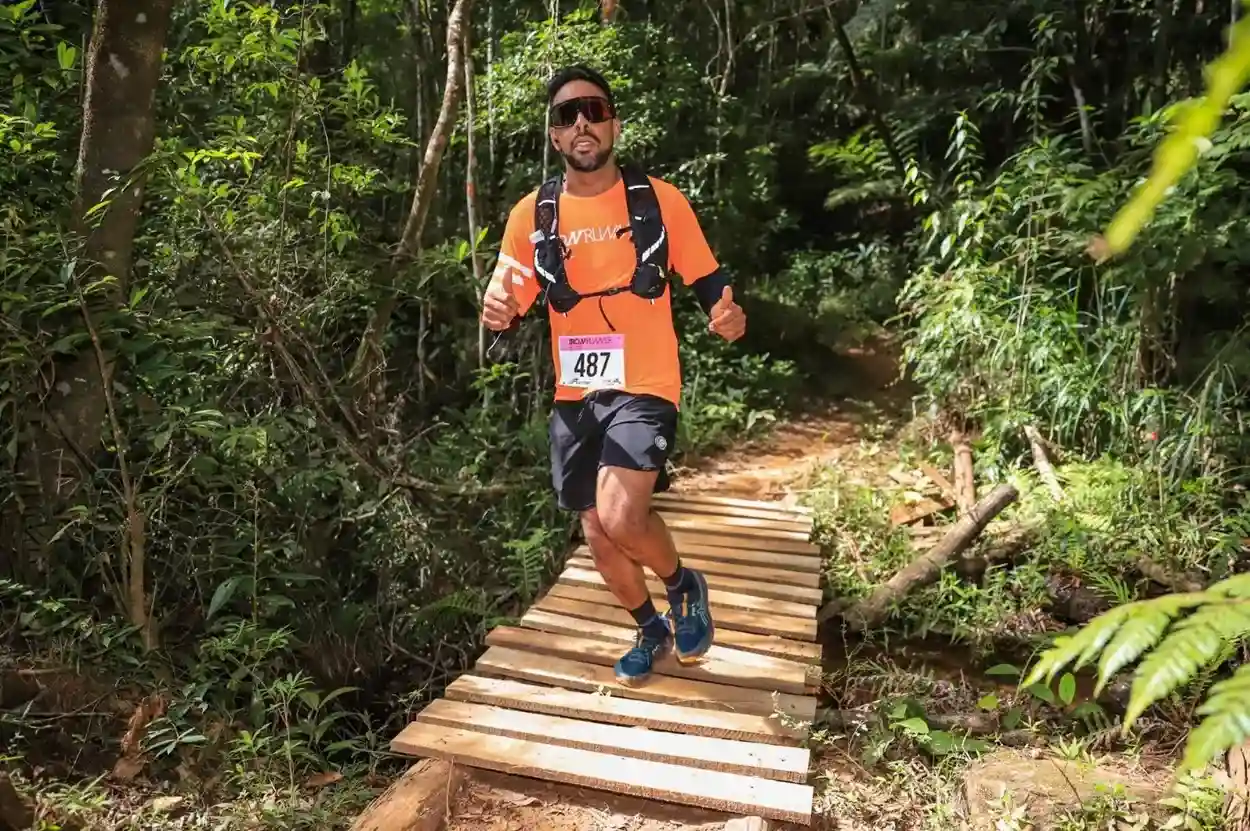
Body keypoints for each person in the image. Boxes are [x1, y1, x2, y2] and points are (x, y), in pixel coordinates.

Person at [479, 64, 747, 686]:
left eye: (594, 111)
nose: (581, 123)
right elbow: (506, 295)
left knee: (624, 516)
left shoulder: (657, 199)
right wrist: (495, 308)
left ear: (614, 125)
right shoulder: (532, 214)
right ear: (553, 136)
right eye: (567, 115)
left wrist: (726, 312)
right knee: (598, 532)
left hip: (646, 380)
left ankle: (684, 586)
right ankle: (649, 628)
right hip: (576, 391)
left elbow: (707, 277)